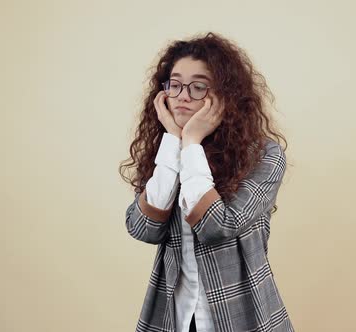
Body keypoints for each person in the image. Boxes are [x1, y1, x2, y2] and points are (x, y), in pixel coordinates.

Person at [120, 32, 294, 332]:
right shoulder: (166, 150)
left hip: (243, 314)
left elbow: (218, 226)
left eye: (198, 87)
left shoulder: (265, 155)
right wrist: (175, 140)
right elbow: (143, 227)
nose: (183, 95)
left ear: (224, 95)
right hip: (174, 313)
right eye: (175, 85)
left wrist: (191, 142)